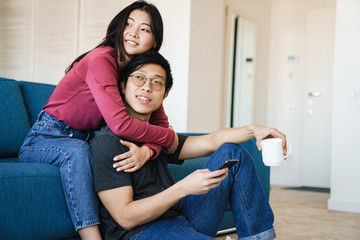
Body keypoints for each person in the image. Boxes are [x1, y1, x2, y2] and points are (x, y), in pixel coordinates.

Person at [18, 1, 178, 239]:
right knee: (78, 151)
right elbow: (122, 126)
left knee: (92, 146)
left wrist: (149, 151)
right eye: (129, 24)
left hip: (88, 137)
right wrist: (169, 139)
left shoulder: (139, 74)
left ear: (154, 41)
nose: (133, 32)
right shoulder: (102, 59)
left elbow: (159, 126)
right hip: (46, 137)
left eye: (144, 29)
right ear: (118, 27)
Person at [91, 50, 287, 239]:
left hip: (179, 221)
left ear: (164, 95)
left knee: (232, 152)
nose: (147, 87)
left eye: (157, 82)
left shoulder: (158, 136)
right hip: (139, 233)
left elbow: (211, 141)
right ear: (123, 85)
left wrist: (254, 130)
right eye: (139, 78)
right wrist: (183, 188)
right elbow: (125, 218)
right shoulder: (107, 143)